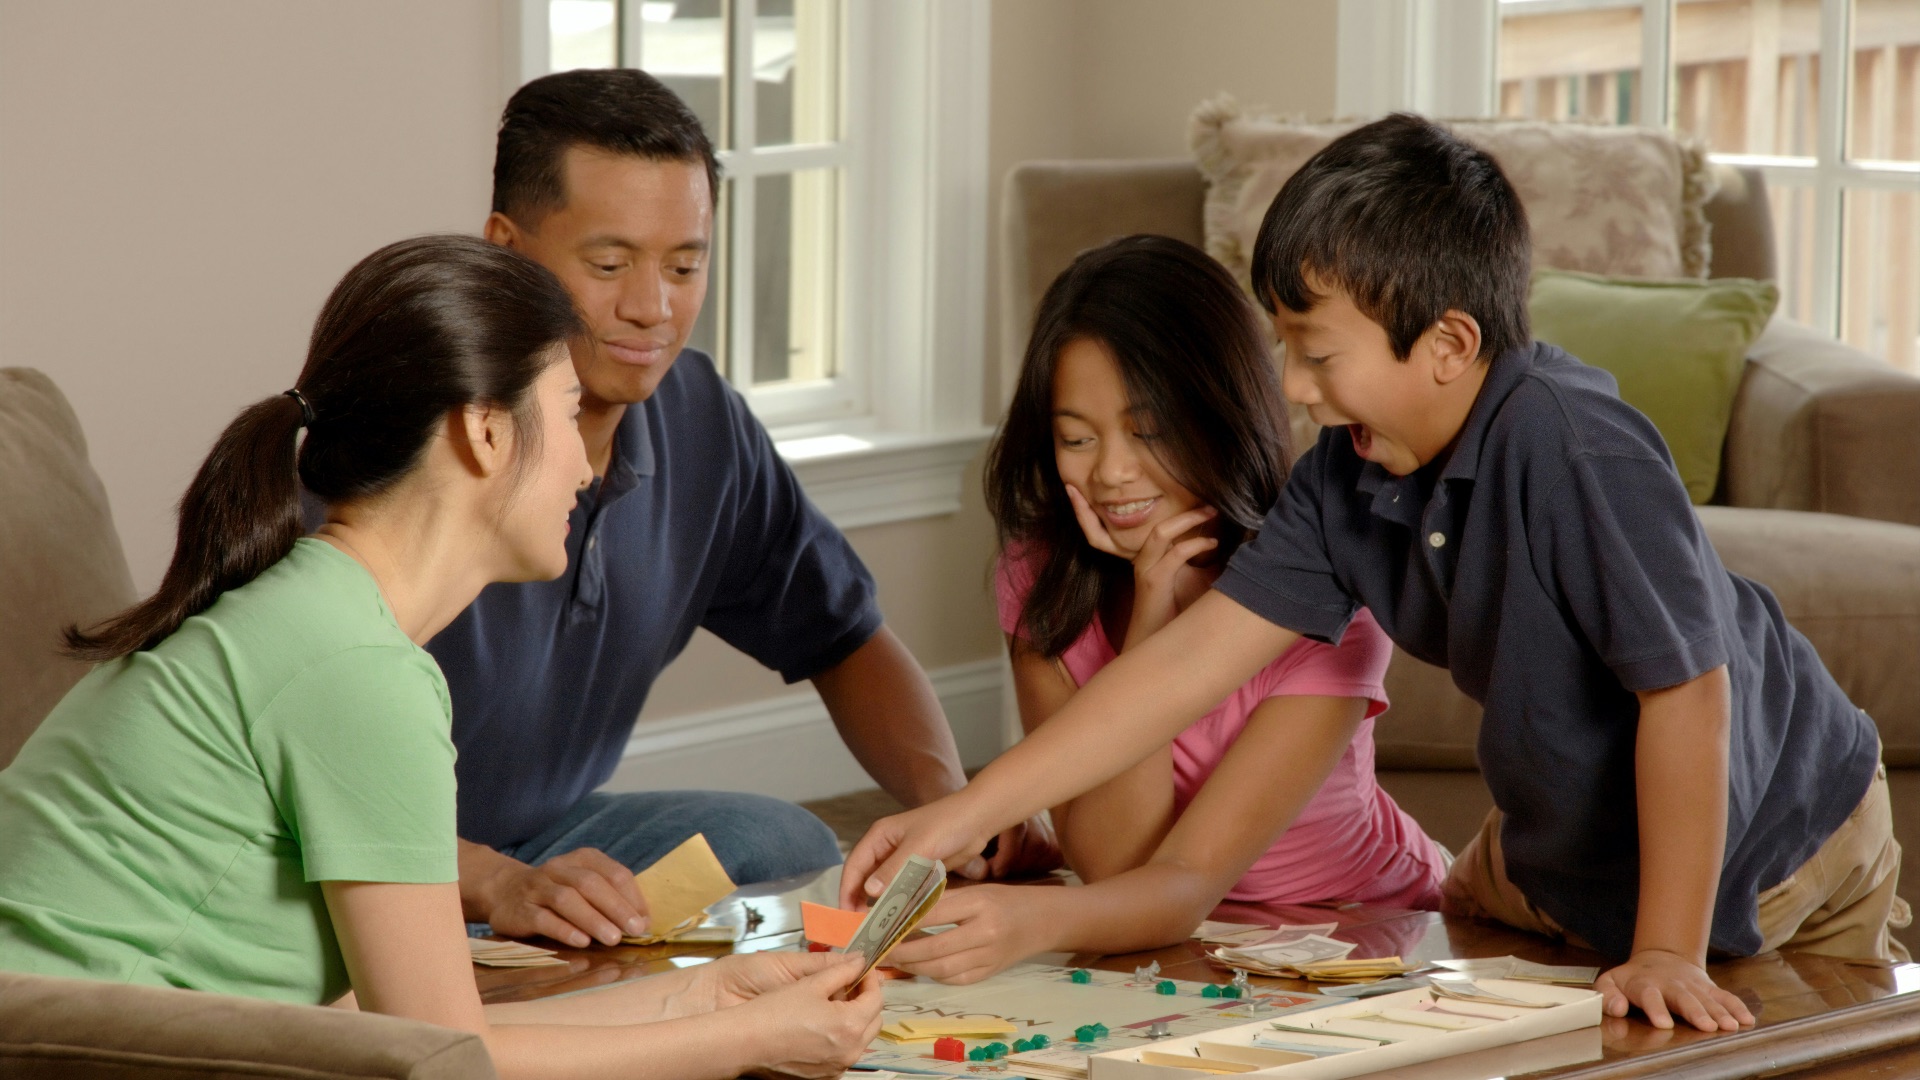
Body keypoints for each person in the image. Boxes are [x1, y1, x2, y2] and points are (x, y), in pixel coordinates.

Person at [843, 115, 1907, 1033]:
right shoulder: (1343, 484)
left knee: (1759, 1038)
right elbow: (1175, 675)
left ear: (1447, 343)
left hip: (1775, 830)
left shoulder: (1576, 447)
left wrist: (1669, 946)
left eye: (1316, 352)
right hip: (1563, 846)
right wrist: (962, 813)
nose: (1296, 390)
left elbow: (1688, 693)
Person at [0, 235, 883, 1078]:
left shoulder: (314, 614)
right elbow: (443, 1060)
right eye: (570, 415)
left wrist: (714, 998)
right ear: (486, 433)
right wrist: (745, 1043)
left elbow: (414, 1027)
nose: (585, 466)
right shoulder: (356, 668)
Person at [435, 68, 1056, 950]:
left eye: (685, 265)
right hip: (362, 856)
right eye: (609, 265)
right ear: (505, 249)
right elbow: (288, 776)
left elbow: (844, 636)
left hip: (543, 832)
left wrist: (947, 808)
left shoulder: (697, 418)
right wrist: (493, 882)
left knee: (781, 840)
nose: (652, 308)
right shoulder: (416, 435)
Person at [884, 236, 1445, 985]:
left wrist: (1032, 917)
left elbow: (1181, 880)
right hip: (1167, 940)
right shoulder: (1043, 576)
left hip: (1357, 927)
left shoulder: (1328, 592)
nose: (1112, 473)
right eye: (1076, 438)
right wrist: (1150, 615)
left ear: (1222, 412)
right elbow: (1114, 862)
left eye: (1148, 432)